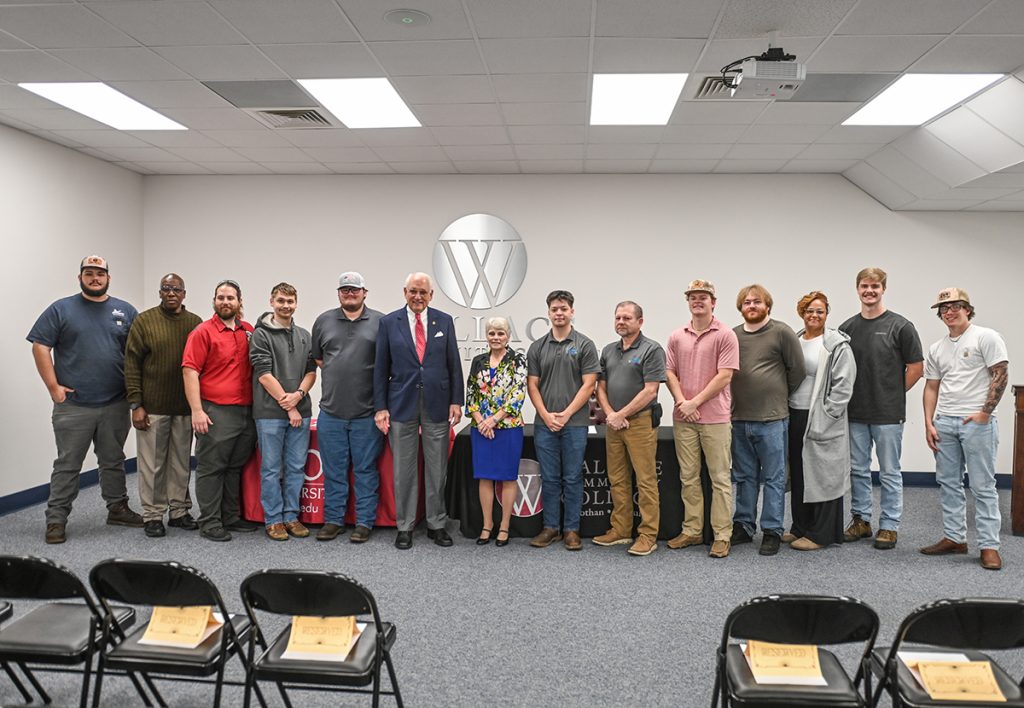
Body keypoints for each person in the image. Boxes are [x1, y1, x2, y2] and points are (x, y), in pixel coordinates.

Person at [28, 255, 143, 544]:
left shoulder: (125, 310)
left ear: (108, 277)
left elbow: (139, 353)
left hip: (115, 402)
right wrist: (53, 386)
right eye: (89, 273)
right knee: (68, 464)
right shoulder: (61, 309)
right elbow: (41, 346)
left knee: (113, 460)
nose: (95, 278)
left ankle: (117, 508)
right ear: (79, 277)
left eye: (100, 273)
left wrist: (135, 398)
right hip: (74, 405)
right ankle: (56, 519)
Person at [374, 272, 464, 550]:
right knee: (404, 469)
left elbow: (453, 363)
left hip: (438, 403)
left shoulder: (444, 321)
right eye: (413, 291)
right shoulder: (389, 323)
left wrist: (456, 401)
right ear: (405, 292)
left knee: (438, 468)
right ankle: (405, 526)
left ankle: (437, 523)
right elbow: (380, 368)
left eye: (423, 292)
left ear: (431, 295)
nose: (418, 297)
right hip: (401, 404)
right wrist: (381, 408)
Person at [921, 288, 1008, 571]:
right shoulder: (937, 348)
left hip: (976, 423)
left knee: (983, 486)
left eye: (955, 306)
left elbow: (1000, 373)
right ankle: (955, 538)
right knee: (948, 483)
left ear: (968, 309)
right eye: (944, 308)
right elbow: (931, 386)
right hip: (945, 421)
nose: (949, 312)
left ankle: (989, 546)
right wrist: (928, 422)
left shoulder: (986, 337)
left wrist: (985, 412)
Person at [839, 267, 923, 550]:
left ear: (883, 289)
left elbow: (916, 368)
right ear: (857, 289)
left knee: (889, 471)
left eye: (875, 286)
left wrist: (892, 393)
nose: (869, 291)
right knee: (858, 470)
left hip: (888, 414)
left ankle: (889, 525)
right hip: (855, 413)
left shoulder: (901, 326)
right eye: (864, 286)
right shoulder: (847, 329)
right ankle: (861, 520)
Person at [124, 273, 202, 538]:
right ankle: (153, 515)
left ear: (184, 293)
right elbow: (132, 364)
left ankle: (179, 511)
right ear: (159, 292)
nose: (171, 293)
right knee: (152, 465)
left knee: (181, 463)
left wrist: (198, 406)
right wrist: (136, 403)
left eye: (176, 289)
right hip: (152, 407)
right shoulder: (144, 321)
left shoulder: (195, 323)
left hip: (184, 406)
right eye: (166, 288)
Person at [664, 279, 739, 559]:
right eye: (693, 297)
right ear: (688, 302)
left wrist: (695, 402)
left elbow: (725, 375)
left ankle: (722, 535)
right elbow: (670, 372)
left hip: (715, 418)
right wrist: (683, 402)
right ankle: (692, 530)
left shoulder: (725, 334)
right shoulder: (676, 336)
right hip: (683, 417)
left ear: (713, 302)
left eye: (703, 297)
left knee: (720, 478)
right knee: (689, 477)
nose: (698, 301)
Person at [730, 284, 805, 556]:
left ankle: (772, 530)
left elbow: (797, 371)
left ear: (767, 306)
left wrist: (777, 395)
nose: (752, 306)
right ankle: (743, 526)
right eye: (747, 302)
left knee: (774, 477)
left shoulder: (781, 332)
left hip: (772, 419)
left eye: (758, 302)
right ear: (741, 307)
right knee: (744, 476)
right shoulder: (732, 335)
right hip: (739, 419)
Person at [182, 279, 259, 542]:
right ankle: (210, 522)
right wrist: (197, 410)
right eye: (221, 297)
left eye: (230, 298)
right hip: (215, 411)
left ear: (239, 302)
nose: (225, 302)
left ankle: (230, 516)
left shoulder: (248, 330)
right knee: (211, 468)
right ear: (214, 301)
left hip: (246, 411)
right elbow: (190, 370)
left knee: (234, 466)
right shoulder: (203, 332)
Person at [311, 272, 383, 543]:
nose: (350, 294)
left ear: (365, 292)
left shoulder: (380, 322)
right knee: (334, 471)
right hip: (331, 413)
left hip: (367, 413)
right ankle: (333, 520)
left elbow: (386, 364)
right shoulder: (323, 321)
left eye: (355, 290)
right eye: (345, 290)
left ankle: (364, 522)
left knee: (366, 471)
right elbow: (319, 359)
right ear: (338, 293)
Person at [526, 289, 600, 551]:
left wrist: (566, 414)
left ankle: (571, 530)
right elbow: (532, 385)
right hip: (544, 424)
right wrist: (546, 415)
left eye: (563, 309)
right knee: (549, 477)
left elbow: (589, 384)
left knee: (572, 477)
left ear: (572, 312)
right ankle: (550, 528)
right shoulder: (537, 347)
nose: (559, 313)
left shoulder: (585, 345)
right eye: (554, 309)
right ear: (548, 313)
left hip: (575, 424)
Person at [593, 301, 665, 556]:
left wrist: (622, 414)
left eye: (627, 318)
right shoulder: (609, 350)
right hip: (614, 425)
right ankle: (621, 530)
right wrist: (611, 415)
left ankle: (648, 535)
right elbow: (600, 386)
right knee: (618, 479)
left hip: (640, 423)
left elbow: (651, 390)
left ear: (640, 322)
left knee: (645, 481)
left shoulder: (651, 349)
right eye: (618, 317)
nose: (621, 322)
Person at [787, 291, 856, 551]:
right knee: (800, 472)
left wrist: (828, 415)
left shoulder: (838, 346)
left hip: (822, 416)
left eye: (820, 311)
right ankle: (800, 527)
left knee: (824, 474)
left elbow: (843, 387)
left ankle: (821, 533)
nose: (814, 315)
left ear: (827, 314)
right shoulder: (795, 340)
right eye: (809, 311)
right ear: (801, 313)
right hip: (795, 412)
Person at [250, 283, 316, 542]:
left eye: (290, 301)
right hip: (269, 414)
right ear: (271, 302)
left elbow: (312, 372)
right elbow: (264, 375)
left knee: (296, 467)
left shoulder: (304, 335)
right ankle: (273, 520)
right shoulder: (260, 335)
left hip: (301, 409)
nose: (285, 305)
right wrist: (289, 406)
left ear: (296, 303)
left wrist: (298, 397)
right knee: (270, 469)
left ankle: (291, 515)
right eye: (280, 301)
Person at [465, 317, 527, 548]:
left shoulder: (518, 360)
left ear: (508, 336)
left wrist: (493, 420)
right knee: (485, 477)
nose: (496, 337)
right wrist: (481, 421)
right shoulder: (479, 361)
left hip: (508, 428)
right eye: (492, 333)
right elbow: (471, 394)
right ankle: (487, 525)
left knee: (507, 478)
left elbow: (518, 395)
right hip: (480, 428)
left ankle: (504, 527)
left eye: (500, 333)